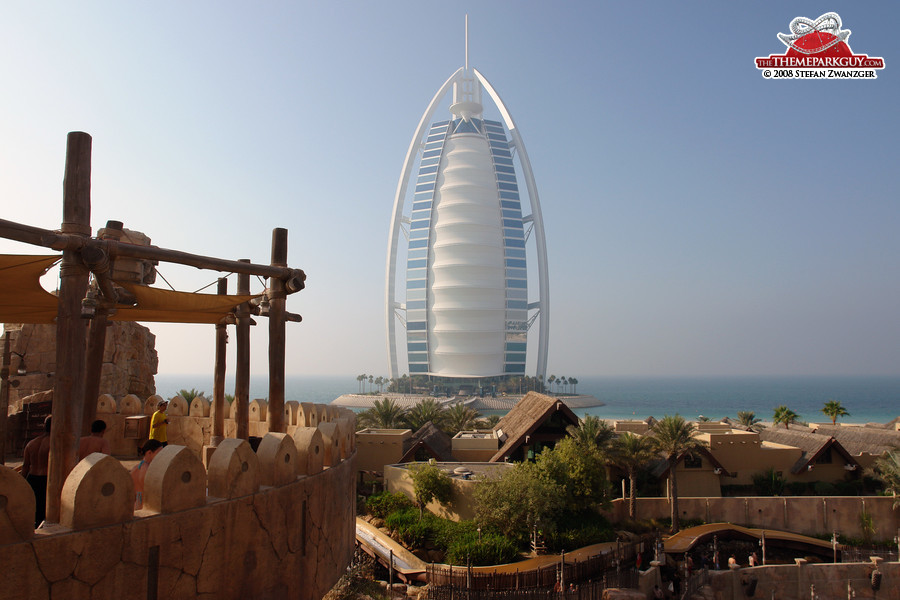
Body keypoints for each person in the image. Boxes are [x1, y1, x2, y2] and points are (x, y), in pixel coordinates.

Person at [22, 416, 52, 527]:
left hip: (32, 478)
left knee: (32, 508)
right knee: (43, 511)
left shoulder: (31, 443)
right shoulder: (55, 444)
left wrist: (22, 483)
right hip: (46, 479)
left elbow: (25, 466)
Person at [131, 439, 164, 509]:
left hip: (134, 507)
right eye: (159, 453)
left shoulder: (135, 469)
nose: (161, 456)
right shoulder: (150, 471)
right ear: (149, 453)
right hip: (146, 509)